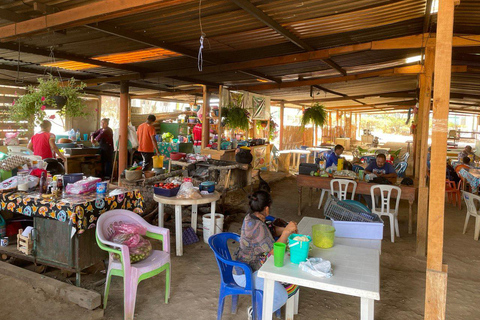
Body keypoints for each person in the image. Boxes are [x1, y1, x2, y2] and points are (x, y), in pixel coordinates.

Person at [234, 191, 298, 317]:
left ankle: (263, 308)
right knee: (282, 295)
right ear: (267, 208)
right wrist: (286, 232)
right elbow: (274, 251)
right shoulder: (257, 227)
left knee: (290, 280)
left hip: (250, 267)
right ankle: (255, 312)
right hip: (247, 274)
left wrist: (286, 230)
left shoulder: (251, 217)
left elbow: (269, 230)